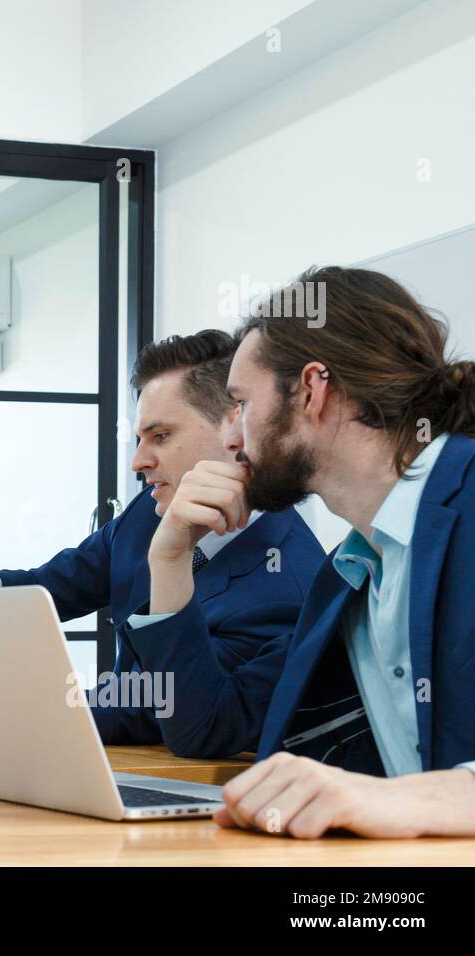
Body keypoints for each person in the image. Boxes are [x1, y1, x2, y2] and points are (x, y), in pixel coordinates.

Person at [130, 266, 475, 838]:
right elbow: (207, 726)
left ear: (312, 390)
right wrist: (167, 562)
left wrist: (411, 800)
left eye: (240, 403)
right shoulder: (349, 575)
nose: (232, 436)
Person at [0, 330, 324, 743]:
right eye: (139, 439)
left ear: (235, 425)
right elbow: (58, 585)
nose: (138, 461)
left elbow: (165, 712)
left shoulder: (290, 585)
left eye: (161, 436)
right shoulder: (147, 516)